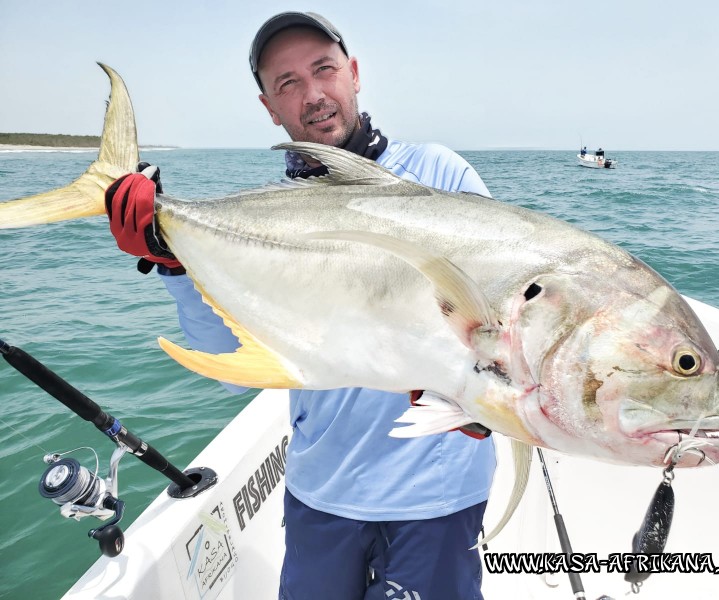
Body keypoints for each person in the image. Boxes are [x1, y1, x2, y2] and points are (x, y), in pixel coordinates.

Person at [104, 11, 496, 600]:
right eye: (288, 83)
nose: (313, 95)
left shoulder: (439, 174)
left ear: (355, 73)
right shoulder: (265, 213)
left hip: (435, 500)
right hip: (321, 494)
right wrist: (173, 261)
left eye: (324, 70)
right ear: (269, 107)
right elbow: (235, 371)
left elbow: (494, 320)